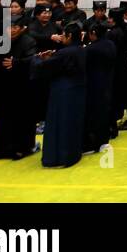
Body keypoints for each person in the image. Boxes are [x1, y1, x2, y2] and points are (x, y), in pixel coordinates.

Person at [0, 14, 36, 160]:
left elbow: (33, 59)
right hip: (2, 86)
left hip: (20, 87)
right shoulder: (1, 41)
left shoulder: (28, 41)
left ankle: (22, 148)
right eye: (9, 27)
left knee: (20, 118)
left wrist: (16, 62)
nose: (11, 30)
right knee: (0, 118)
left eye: (15, 27)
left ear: (21, 29)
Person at [32, 22, 88, 168]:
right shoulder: (81, 50)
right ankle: (71, 154)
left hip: (62, 91)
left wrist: (38, 58)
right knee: (73, 123)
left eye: (64, 35)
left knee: (59, 122)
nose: (62, 37)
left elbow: (44, 67)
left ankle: (58, 157)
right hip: (78, 89)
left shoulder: (64, 53)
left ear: (69, 36)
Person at [82, 21, 118, 153]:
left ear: (93, 33)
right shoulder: (110, 44)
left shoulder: (91, 49)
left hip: (94, 85)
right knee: (105, 112)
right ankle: (104, 139)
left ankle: (93, 143)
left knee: (94, 115)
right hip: (108, 82)